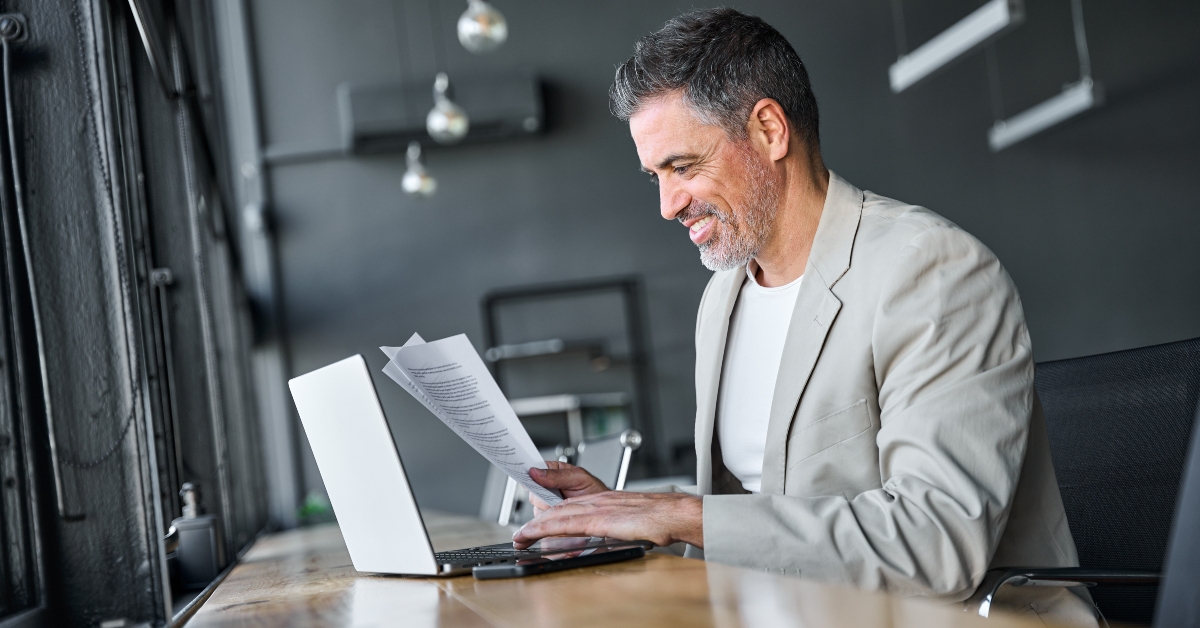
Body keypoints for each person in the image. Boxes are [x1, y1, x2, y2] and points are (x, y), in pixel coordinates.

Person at [514, 8, 1097, 626]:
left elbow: (937, 542)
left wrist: (684, 517)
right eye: (655, 176)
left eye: (683, 167)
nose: (667, 205)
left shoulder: (932, 270)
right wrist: (625, 514)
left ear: (769, 130)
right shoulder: (724, 297)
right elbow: (765, 514)